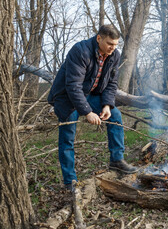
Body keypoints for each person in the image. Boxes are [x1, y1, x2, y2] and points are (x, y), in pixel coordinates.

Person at [48, 24, 138, 190]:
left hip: (91, 95)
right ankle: (70, 181)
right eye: (110, 43)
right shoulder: (80, 51)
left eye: (116, 44)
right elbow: (73, 86)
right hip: (67, 97)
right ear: (99, 38)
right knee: (67, 136)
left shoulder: (114, 55)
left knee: (116, 116)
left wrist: (106, 105)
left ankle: (116, 160)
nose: (113, 48)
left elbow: (111, 84)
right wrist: (87, 112)